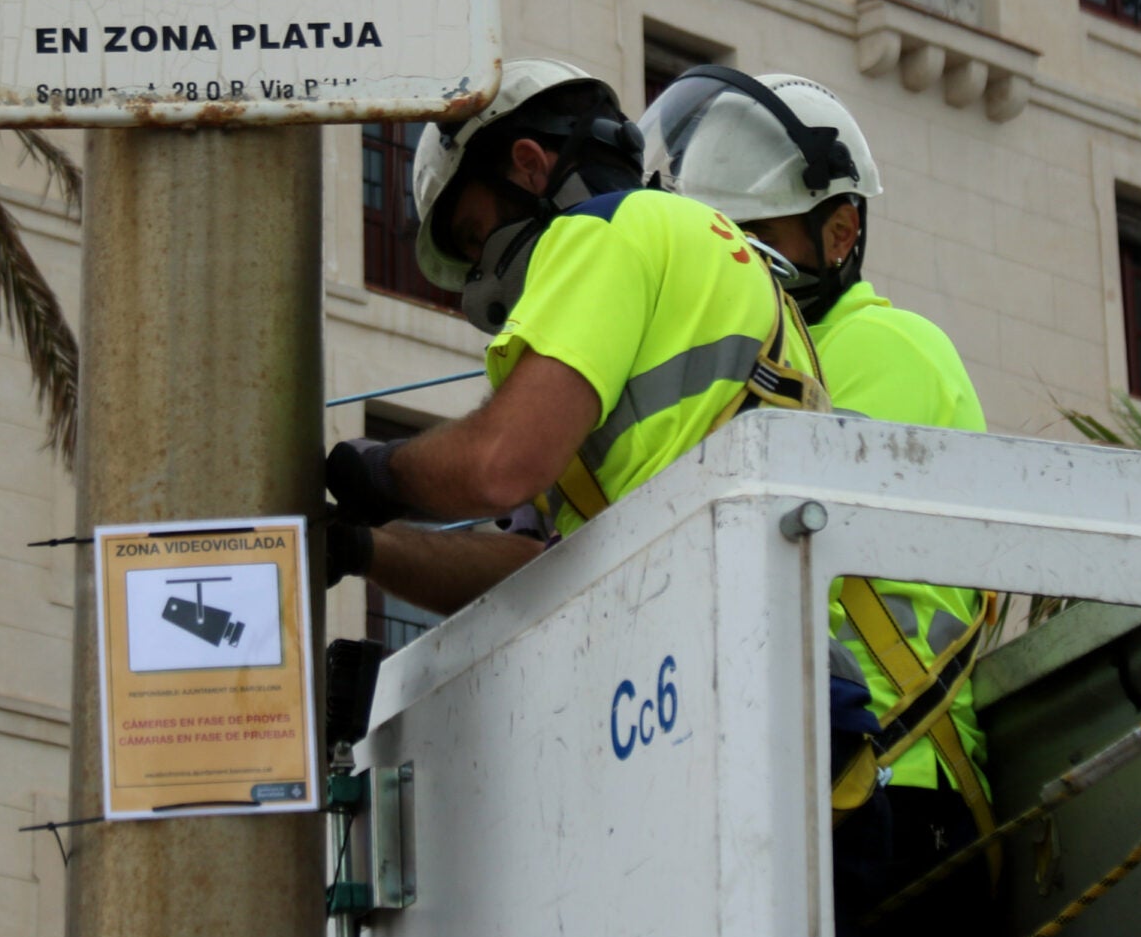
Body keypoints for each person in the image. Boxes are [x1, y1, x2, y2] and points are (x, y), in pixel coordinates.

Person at [638, 67, 995, 937]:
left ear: (840, 235)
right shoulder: (771, 349)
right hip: (830, 787)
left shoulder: (874, 346)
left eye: (758, 242)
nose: (739, 267)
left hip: (897, 799)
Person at [322, 59, 826, 612]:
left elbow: (500, 463)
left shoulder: (603, 229)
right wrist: (364, 548)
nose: (481, 270)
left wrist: (383, 475)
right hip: (743, 624)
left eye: (475, 234)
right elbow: (539, 570)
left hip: (723, 629)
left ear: (529, 166)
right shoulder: (714, 263)